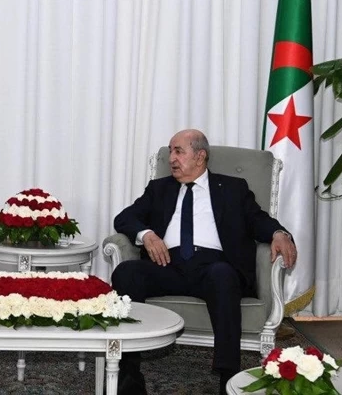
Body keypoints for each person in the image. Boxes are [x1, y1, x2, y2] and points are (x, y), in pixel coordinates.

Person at [111, 129, 297, 395]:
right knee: (126, 273)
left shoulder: (233, 188)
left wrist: (279, 233)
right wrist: (147, 235)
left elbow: (258, 220)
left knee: (222, 275)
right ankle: (129, 375)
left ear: (200, 157)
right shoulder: (159, 189)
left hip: (213, 268)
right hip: (167, 265)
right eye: (170, 151)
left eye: (178, 151)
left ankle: (228, 377)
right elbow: (125, 218)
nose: (171, 158)